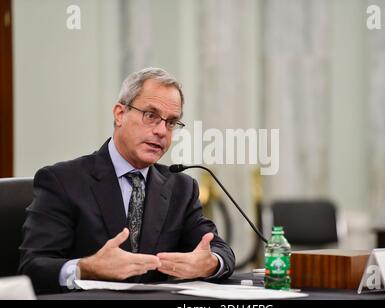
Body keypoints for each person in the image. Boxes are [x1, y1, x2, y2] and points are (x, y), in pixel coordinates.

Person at [18, 67, 235, 294]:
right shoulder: (62, 181)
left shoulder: (181, 187)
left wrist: (209, 263)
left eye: (171, 122)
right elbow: (33, 267)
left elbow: (218, 250)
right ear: (120, 114)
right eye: (151, 115)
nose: (162, 131)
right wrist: (87, 268)